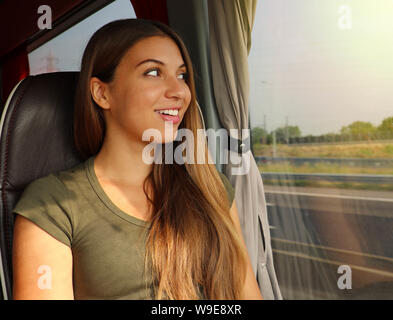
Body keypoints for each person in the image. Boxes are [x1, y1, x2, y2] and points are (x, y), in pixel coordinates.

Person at [12, 19, 262, 300]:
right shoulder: (53, 203)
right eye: (153, 72)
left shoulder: (209, 187)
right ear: (102, 93)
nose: (179, 92)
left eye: (181, 76)